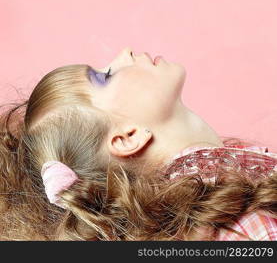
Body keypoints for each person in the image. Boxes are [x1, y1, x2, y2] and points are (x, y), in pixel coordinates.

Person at [0, 47, 276, 241]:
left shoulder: (231, 198)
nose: (125, 53)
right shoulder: (244, 226)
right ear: (128, 137)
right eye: (104, 76)